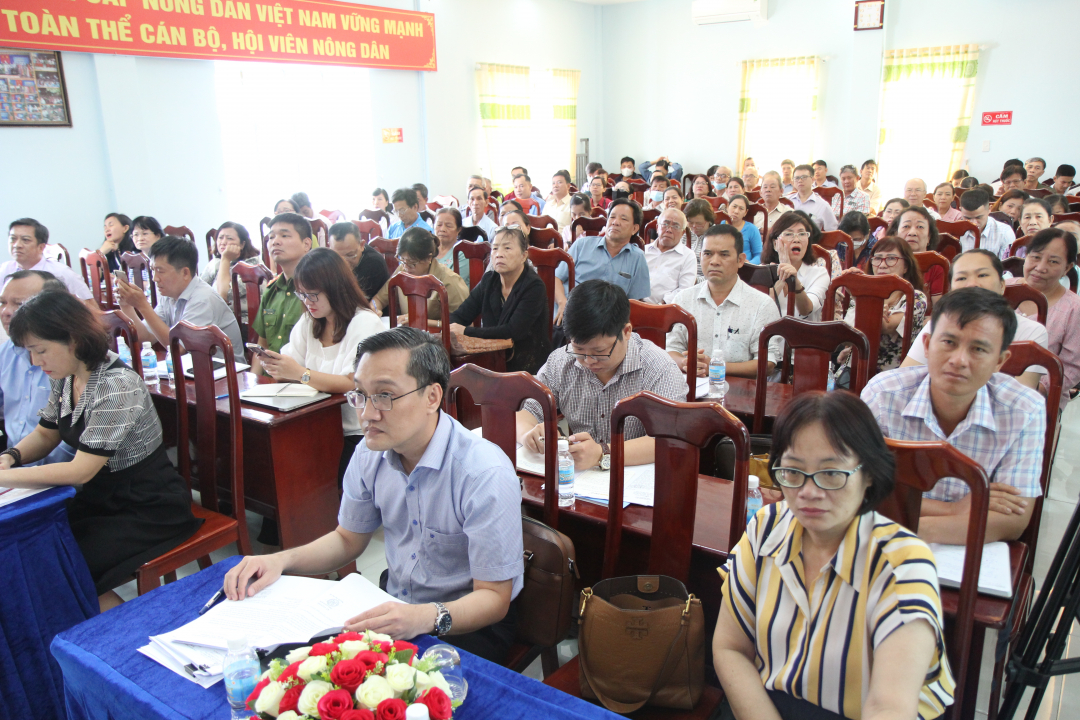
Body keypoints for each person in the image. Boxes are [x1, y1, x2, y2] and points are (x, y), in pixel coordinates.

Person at [223, 327, 525, 664]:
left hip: (466, 624)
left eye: (384, 396)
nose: (366, 413)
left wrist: (421, 618)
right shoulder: (371, 452)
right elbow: (348, 539)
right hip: (397, 607)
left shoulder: (482, 472)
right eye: (360, 395)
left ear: (432, 397)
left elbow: (494, 599)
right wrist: (281, 560)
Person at [714, 391, 955, 720]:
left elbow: (890, 706)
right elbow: (730, 649)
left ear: (868, 474)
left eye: (832, 473)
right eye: (793, 472)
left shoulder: (904, 565)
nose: (808, 492)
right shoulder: (767, 527)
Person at [2, 292, 201, 611]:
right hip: (101, 499)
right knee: (36, 544)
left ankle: (125, 637)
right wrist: (11, 456)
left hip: (147, 506)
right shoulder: (67, 378)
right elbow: (45, 433)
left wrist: (9, 476)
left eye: (40, 351)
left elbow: (80, 470)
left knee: (65, 559)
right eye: (30, 352)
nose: (36, 362)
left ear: (72, 339)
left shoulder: (116, 385)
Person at [862, 288, 1044, 545]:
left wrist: (900, 531)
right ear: (927, 345)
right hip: (883, 549)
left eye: (979, 349)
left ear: (1000, 362)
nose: (959, 360)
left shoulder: (1025, 410)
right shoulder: (883, 395)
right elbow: (857, 491)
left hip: (937, 550)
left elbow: (1012, 520)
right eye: (949, 342)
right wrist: (954, 510)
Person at [516, 280, 686, 469]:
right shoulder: (560, 362)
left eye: (599, 351)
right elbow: (526, 412)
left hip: (636, 476)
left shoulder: (658, 368)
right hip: (580, 477)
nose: (588, 360)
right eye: (579, 349)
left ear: (626, 331)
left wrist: (603, 452)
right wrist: (528, 434)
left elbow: (672, 438)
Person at [260, 248, 384, 484]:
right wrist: (276, 366)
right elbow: (292, 362)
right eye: (302, 295)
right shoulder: (311, 320)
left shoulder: (364, 322)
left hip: (354, 430)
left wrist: (300, 375)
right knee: (276, 462)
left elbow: (352, 382)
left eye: (313, 295)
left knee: (300, 471)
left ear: (336, 287)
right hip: (315, 422)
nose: (307, 303)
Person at [901, 249, 1048, 390]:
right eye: (961, 278)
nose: (972, 284)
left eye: (982, 275)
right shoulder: (940, 324)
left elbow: (1020, 400)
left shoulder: (1032, 332)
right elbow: (905, 378)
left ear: (1002, 285)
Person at [667, 225, 781, 379]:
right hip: (690, 387)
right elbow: (670, 348)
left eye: (724, 255)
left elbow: (767, 363)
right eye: (708, 254)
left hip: (741, 392)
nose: (714, 261)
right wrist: (684, 362)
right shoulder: (683, 299)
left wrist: (714, 367)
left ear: (740, 260)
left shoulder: (762, 305)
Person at [115, 236, 246, 362]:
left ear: (185, 273)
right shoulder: (169, 295)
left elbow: (179, 348)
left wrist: (143, 306)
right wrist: (126, 305)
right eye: (153, 270)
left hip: (227, 374)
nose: (155, 278)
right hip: (194, 370)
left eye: (160, 271)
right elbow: (144, 337)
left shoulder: (202, 299)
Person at [449, 226, 550, 374]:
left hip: (526, 363)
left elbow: (513, 331)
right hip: (493, 356)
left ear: (523, 255)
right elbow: (461, 315)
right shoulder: (489, 280)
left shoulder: (534, 286)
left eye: (507, 248)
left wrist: (465, 331)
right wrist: (449, 324)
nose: (499, 254)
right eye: (495, 248)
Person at [0, 270, 76, 465]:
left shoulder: (73, 362)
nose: (6, 312)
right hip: (16, 465)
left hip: (62, 477)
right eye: (3, 303)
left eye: (19, 304)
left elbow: (79, 464)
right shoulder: (6, 352)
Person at [554, 199, 650, 322]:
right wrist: (562, 302)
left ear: (634, 228)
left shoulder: (638, 258)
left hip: (607, 324)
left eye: (624, 219)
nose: (615, 222)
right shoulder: (582, 245)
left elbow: (636, 302)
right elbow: (557, 278)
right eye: (612, 217)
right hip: (570, 314)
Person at [842, 236, 927, 373]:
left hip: (891, 375)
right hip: (855, 370)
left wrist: (862, 300)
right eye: (877, 258)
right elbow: (847, 336)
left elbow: (884, 327)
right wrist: (856, 291)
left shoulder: (915, 297)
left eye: (891, 258)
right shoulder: (864, 294)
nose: (882, 264)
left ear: (906, 266)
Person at [1022, 228, 1080, 408]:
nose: (1040, 268)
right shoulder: (1002, 290)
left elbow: (1072, 366)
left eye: (1053, 261)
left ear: (1067, 268)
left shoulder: (1074, 309)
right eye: (1035, 257)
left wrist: (1037, 388)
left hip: (1040, 399)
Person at [251, 213, 313, 372]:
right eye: (271, 237)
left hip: (304, 381)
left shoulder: (317, 291)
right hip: (270, 383)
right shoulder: (271, 290)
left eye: (285, 235)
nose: (275, 242)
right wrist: (254, 385)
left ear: (306, 244)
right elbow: (262, 347)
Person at [372, 227, 468, 322]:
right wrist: (375, 308)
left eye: (412, 263)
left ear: (428, 258)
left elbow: (463, 324)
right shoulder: (402, 270)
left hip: (438, 335)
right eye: (402, 260)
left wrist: (421, 321)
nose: (406, 267)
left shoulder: (449, 281)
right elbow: (380, 299)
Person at [4, 217, 95, 306]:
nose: (17, 245)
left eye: (25, 240)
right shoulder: (5, 269)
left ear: (41, 247)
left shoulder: (61, 274)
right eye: (13, 239)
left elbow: (92, 308)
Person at [764, 212, 830, 322]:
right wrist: (780, 280)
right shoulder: (762, 272)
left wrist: (794, 281)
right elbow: (757, 311)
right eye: (789, 234)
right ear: (775, 243)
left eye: (802, 234)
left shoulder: (819, 273)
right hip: (771, 337)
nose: (796, 239)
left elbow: (806, 310)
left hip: (803, 336)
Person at [200, 221, 261, 324]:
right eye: (220, 237)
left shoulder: (252, 265)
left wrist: (225, 259)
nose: (223, 242)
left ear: (242, 244)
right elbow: (200, 291)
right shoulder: (215, 263)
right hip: (216, 319)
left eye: (229, 238)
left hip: (242, 323)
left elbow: (223, 296)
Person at [888, 206, 944, 303]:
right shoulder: (884, 260)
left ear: (929, 236)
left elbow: (938, 309)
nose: (912, 233)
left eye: (920, 227)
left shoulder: (937, 265)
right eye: (906, 226)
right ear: (896, 233)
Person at [644, 207, 696, 304]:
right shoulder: (643, 250)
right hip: (633, 305)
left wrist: (660, 306)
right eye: (665, 224)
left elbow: (685, 290)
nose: (669, 230)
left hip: (664, 310)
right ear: (657, 228)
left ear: (683, 233)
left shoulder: (688, 256)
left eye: (676, 226)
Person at [327, 221, 390, 302]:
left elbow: (353, 303)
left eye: (350, 255)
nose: (345, 262)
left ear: (361, 245)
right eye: (338, 257)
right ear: (329, 248)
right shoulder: (328, 258)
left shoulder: (374, 263)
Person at [958, 188, 1015, 258]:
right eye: (967, 218)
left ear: (989, 209)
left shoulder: (1004, 232)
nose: (973, 223)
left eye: (978, 217)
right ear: (960, 210)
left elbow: (1006, 266)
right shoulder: (954, 231)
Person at [786, 164, 838, 231]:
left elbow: (832, 230)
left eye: (804, 177)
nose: (800, 180)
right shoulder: (786, 201)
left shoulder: (823, 205)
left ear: (813, 179)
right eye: (797, 178)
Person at [433, 208, 470, 287]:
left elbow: (452, 284)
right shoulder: (428, 250)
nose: (442, 229)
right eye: (439, 225)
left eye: (448, 226)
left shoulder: (463, 253)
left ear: (458, 230)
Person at [722, 194, 762, 263]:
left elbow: (759, 255)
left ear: (745, 212)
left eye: (741, 209)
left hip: (745, 268)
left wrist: (750, 263)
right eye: (734, 207)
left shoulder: (752, 229)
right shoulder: (720, 225)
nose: (736, 211)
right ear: (728, 207)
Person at [753, 171, 792, 236]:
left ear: (781, 191)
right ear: (760, 193)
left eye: (772, 187)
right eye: (765, 187)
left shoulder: (788, 212)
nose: (768, 190)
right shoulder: (753, 212)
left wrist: (771, 232)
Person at [684, 199, 715, 281]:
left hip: (705, 281)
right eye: (690, 222)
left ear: (709, 221)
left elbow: (716, 273)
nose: (694, 226)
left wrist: (694, 280)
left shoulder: (716, 237)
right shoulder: (683, 233)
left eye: (699, 223)